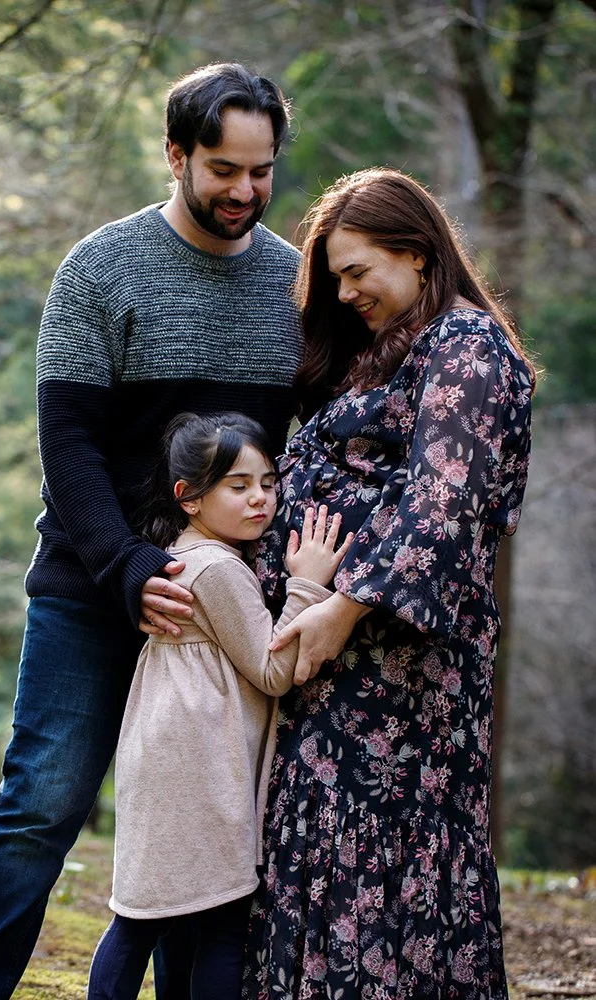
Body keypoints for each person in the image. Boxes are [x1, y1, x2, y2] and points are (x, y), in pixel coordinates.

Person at [0, 63, 302, 1000]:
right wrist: (128, 565)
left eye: (261, 170)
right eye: (223, 168)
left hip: (225, 610)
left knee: (221, 823)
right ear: (175, 155)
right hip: (93, 587)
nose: (245, 192)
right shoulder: (101, 269)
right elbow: (68, 442)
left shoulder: (294, 285)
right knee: (42, 802)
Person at [241, 167, 535, 998]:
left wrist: (341, 607)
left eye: (355, 270)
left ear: (413, 253)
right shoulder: (388, 354)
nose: (343, 291)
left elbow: (441, 502)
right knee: (320, 862)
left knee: (384, 871)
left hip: (402, 686)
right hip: (339, 685)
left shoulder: (466, 346)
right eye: (332, 276)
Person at [86, 411, 352, 1000]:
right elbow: (274, 670)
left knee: (141, 917)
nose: (260, 499)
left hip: (170, 755)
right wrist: (309, 584)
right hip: (197, 767)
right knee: (218, 928)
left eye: (268, 482)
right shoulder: (218, 568)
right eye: (238, 486)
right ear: (189, 498)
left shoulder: (187, 554)